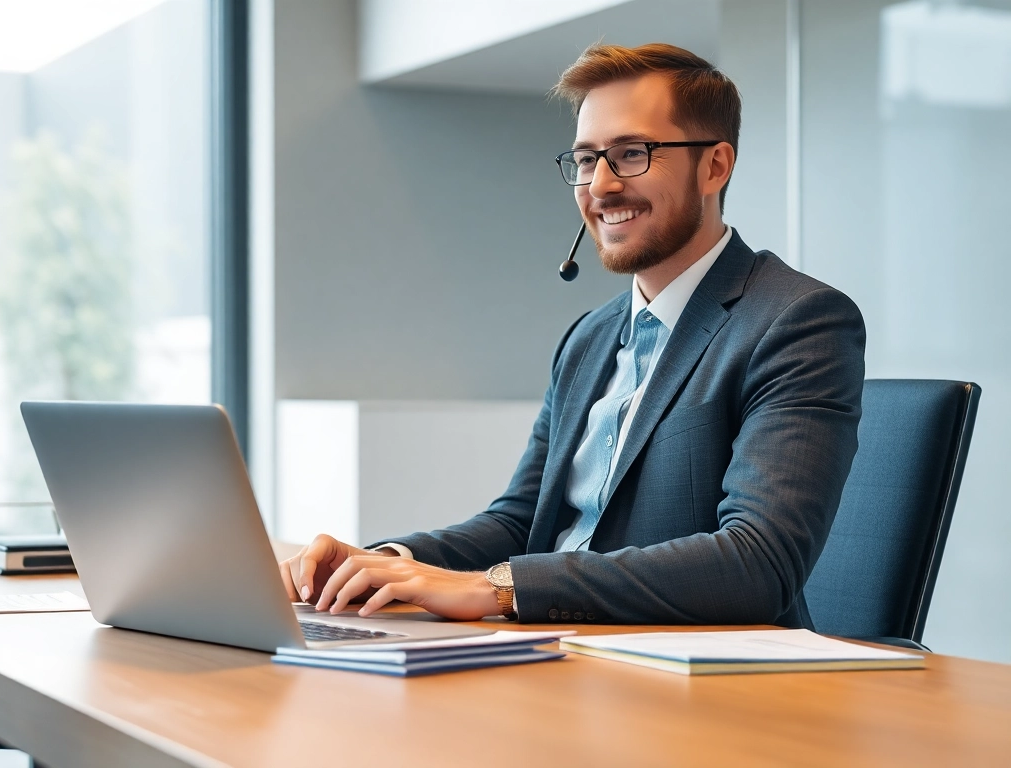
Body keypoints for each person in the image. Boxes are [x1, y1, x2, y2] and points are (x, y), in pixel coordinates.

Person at [278, 43, 866, 628]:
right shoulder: (590, 338)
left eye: (632, 153)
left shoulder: (797, 320)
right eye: (587, 160)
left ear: (714, 166)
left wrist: (499, 589)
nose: (601, 187)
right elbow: (520, 521)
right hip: (559, 648)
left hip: (692, 683)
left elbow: (758, 564)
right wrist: (384, 565)